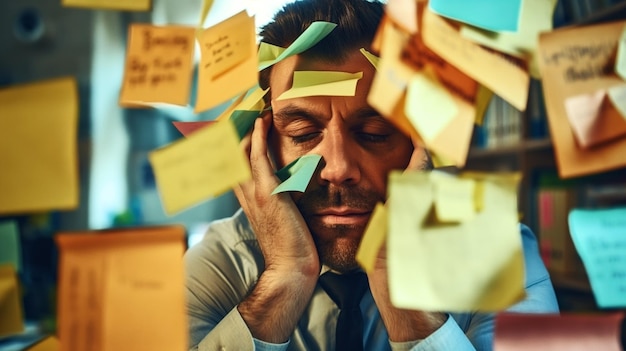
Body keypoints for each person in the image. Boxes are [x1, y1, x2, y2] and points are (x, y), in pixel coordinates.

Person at [184, 0, 560, 350]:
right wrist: (285, 276)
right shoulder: (221, 261)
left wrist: (404, 297)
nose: (339, 168)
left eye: (374, 134)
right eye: (302, 134)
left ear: (420, 142)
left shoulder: (494, 247)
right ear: (261, 148)